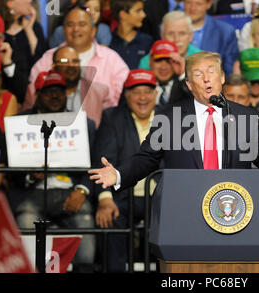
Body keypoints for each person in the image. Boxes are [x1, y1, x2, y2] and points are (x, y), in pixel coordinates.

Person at [88, 51, 259, 203]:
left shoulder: (244, 116)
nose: (206, 79)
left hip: (233, 208)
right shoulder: (170, 117)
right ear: (189, 85)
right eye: (198, 75)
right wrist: (119, 175)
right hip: (185, 208)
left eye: (211, 72)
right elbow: (147, 160)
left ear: (222, 77)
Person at [13, 70, 97, 272]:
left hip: (71, 192)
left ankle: (84, 269)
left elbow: (96, 164)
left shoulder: (83, 124)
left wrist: (82, 190)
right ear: (38, 94)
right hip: (32, 194)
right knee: (26, 219)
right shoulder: (19, 123)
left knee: (85, 220)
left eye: (59, 90)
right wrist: (30, 175)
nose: (55, 96)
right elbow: (10, 170)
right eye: (48, 91)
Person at [93, 69, 158, 272]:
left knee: (173, 224)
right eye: (136, 92)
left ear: (156, 94)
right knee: (109, 220)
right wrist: (104, 198)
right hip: (122, 196)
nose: (142, 98)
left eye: (147, 91)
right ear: (126, 95)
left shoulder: (170, 118)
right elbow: (103, 159)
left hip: (160, 197)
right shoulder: (112, 117)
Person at [23, 6, 129, 112]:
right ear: (63, 31)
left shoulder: (112, 59)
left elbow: (125, 99)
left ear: (93, 30)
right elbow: (32, 99)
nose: (76, 29)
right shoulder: (48, 58)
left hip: (103, 125)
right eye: (70, 25)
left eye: (82, 24)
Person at [0, 0, 47, 105]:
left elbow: (42, 68)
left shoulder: (35, 27)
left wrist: (30, 32)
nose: (30, 1)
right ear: (9, 3)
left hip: (32, 99)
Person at [50, 45, 109, 128]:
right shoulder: (41, 93)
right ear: (53, 66)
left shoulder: (99, 92)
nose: (71, 65)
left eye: (75, 61)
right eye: (64, 61)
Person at [184, 0, 239, 75]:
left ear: (209, 4)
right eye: (189, 2)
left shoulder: (225, 32)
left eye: (198, 4)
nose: (193, 8)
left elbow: (229, 71)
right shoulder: (170, 27)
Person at [223, 73, 259, 147]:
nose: (235, 101)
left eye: (241, 97)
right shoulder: (210, 123)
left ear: (249, 100)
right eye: (230, 96)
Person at [109, 0, 153, 70]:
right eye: (138, 11)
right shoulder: (108, 42)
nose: (143, 15)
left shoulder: (148, 41)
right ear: (123, 14)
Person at [148, 40, 191, 106]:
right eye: (159, 60)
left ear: (178, 62)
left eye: (169, 61)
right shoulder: (140, 86)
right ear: (150, 61)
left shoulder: (185, 86)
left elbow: (197, 102)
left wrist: (183, 74)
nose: (163, 67)